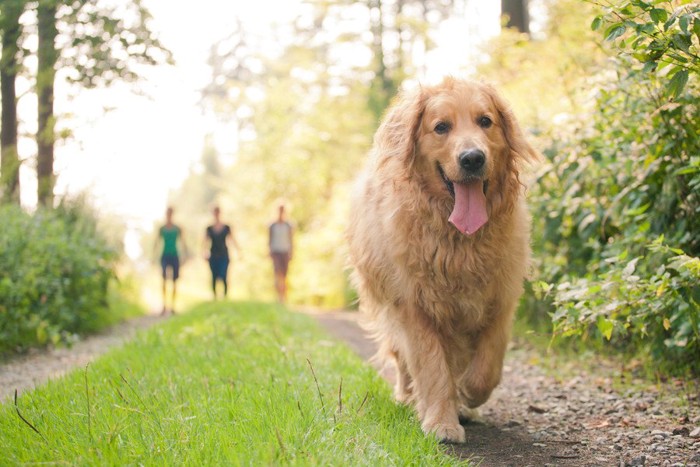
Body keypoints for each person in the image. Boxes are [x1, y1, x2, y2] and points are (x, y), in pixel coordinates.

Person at [155, 206, 187, 315]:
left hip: (175, 255)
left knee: (174, 281)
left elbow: (183, 242)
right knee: (163, 280)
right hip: (165, 255)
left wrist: (185, 255)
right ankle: (164, 305)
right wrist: (153, 257)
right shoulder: (162, 228)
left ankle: (172, 306)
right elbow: (156, 242)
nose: (169, 215)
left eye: (170, 213)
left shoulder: (177, 228)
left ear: (172, 214)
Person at [204, 206, 240, 299]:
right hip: (213, 254)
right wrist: (204, 252)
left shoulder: (226, 227)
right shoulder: (209, 228)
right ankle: (215, 297)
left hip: (224, 254)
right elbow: (205, 242)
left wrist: (238, 251)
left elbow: (232, 239)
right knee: (214, 276)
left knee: (223, 275)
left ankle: (225, 296)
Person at [268, 204, 293, 303]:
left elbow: (291, 239)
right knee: (277, 274)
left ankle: (284, 296)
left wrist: (292, 251)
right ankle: (278, 296)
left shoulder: (289, 225)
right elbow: (269, 239)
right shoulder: (272, 225)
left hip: (285, 251)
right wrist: (269, 251)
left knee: (284, 276)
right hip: (276, 252)